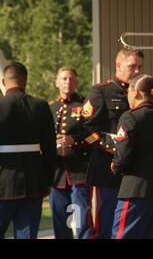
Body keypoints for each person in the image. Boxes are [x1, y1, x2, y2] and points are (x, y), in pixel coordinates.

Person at [82, 49, 143, 239]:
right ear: (118, 66)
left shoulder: (140, 92)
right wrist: (115, 148)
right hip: (107, 169)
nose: (137, 71)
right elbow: (87, 131)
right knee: (107, 223)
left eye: (140, 67)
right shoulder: (101, 91)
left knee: (131, 223)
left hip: (133, 170)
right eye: (132, 67)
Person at [111, 74, 153, 239]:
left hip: (135, 191)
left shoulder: (130, 117)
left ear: (136, 92)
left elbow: (123, 156)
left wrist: (115, 166)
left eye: (128, 91)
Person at [0, 62, 56, 239]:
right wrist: (47, 180)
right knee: (27, 234)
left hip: (2, 183)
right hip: (33, 183)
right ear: (26, 80)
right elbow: (49, 148)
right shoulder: (40, 106)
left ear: (3, 81)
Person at [49, 67, 93, 239]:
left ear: (76, 82)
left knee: (81, 217)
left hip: (79, 172)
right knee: (60, 218)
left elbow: (94, 136)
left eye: (71, 79)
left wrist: (74, 141)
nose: (67, 82)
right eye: (64, 79)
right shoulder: (50, 108)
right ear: (57, 82)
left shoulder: (84, 105)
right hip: (57, 174)